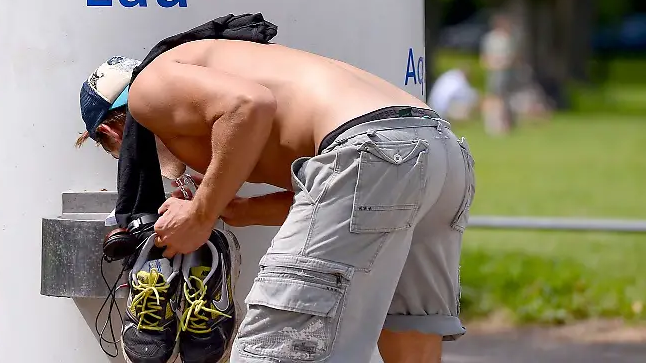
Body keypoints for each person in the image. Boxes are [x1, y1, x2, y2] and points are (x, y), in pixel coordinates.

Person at [76, 39, 476, 363]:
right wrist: (244, 210)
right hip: (436, 147)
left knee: (271, 351)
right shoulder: (210, 66)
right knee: (409, 339)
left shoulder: (150, 86)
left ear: (113, 134)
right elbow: (346, 194)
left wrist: (201, 214)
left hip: (369, 150)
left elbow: (249, 105)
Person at [479, 14, 517, 135]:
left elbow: (512, 57)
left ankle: (503, 124)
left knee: (502, 98)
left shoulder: (507, 39)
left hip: (504, 72)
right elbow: (484, 58)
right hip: (494, 72)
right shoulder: (490, 39)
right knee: (493, 97)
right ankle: (492, 124)